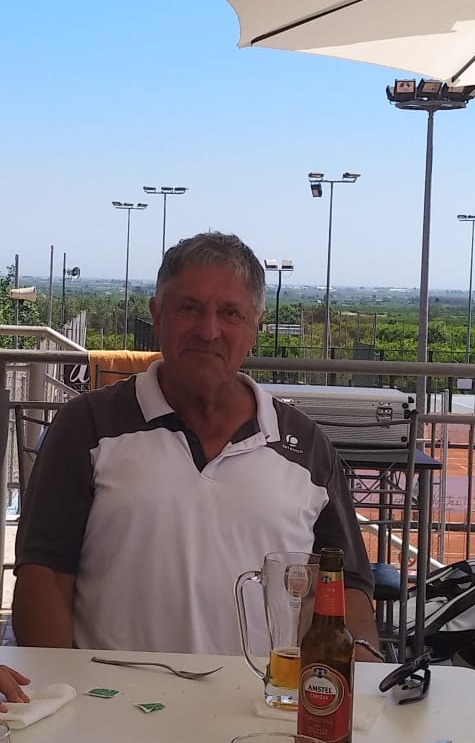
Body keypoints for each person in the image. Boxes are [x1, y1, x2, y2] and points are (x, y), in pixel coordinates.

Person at [12, 232, 379, 657]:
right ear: (157, 315)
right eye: (189, 308)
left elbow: (347, 587)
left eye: (230, 313)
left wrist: (360, 678)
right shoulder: (86, 427)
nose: (208, 330)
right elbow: (44, 575)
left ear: (255, 325)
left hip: (263, 697)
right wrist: (63, 688)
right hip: (113, 698)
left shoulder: (307, 448)